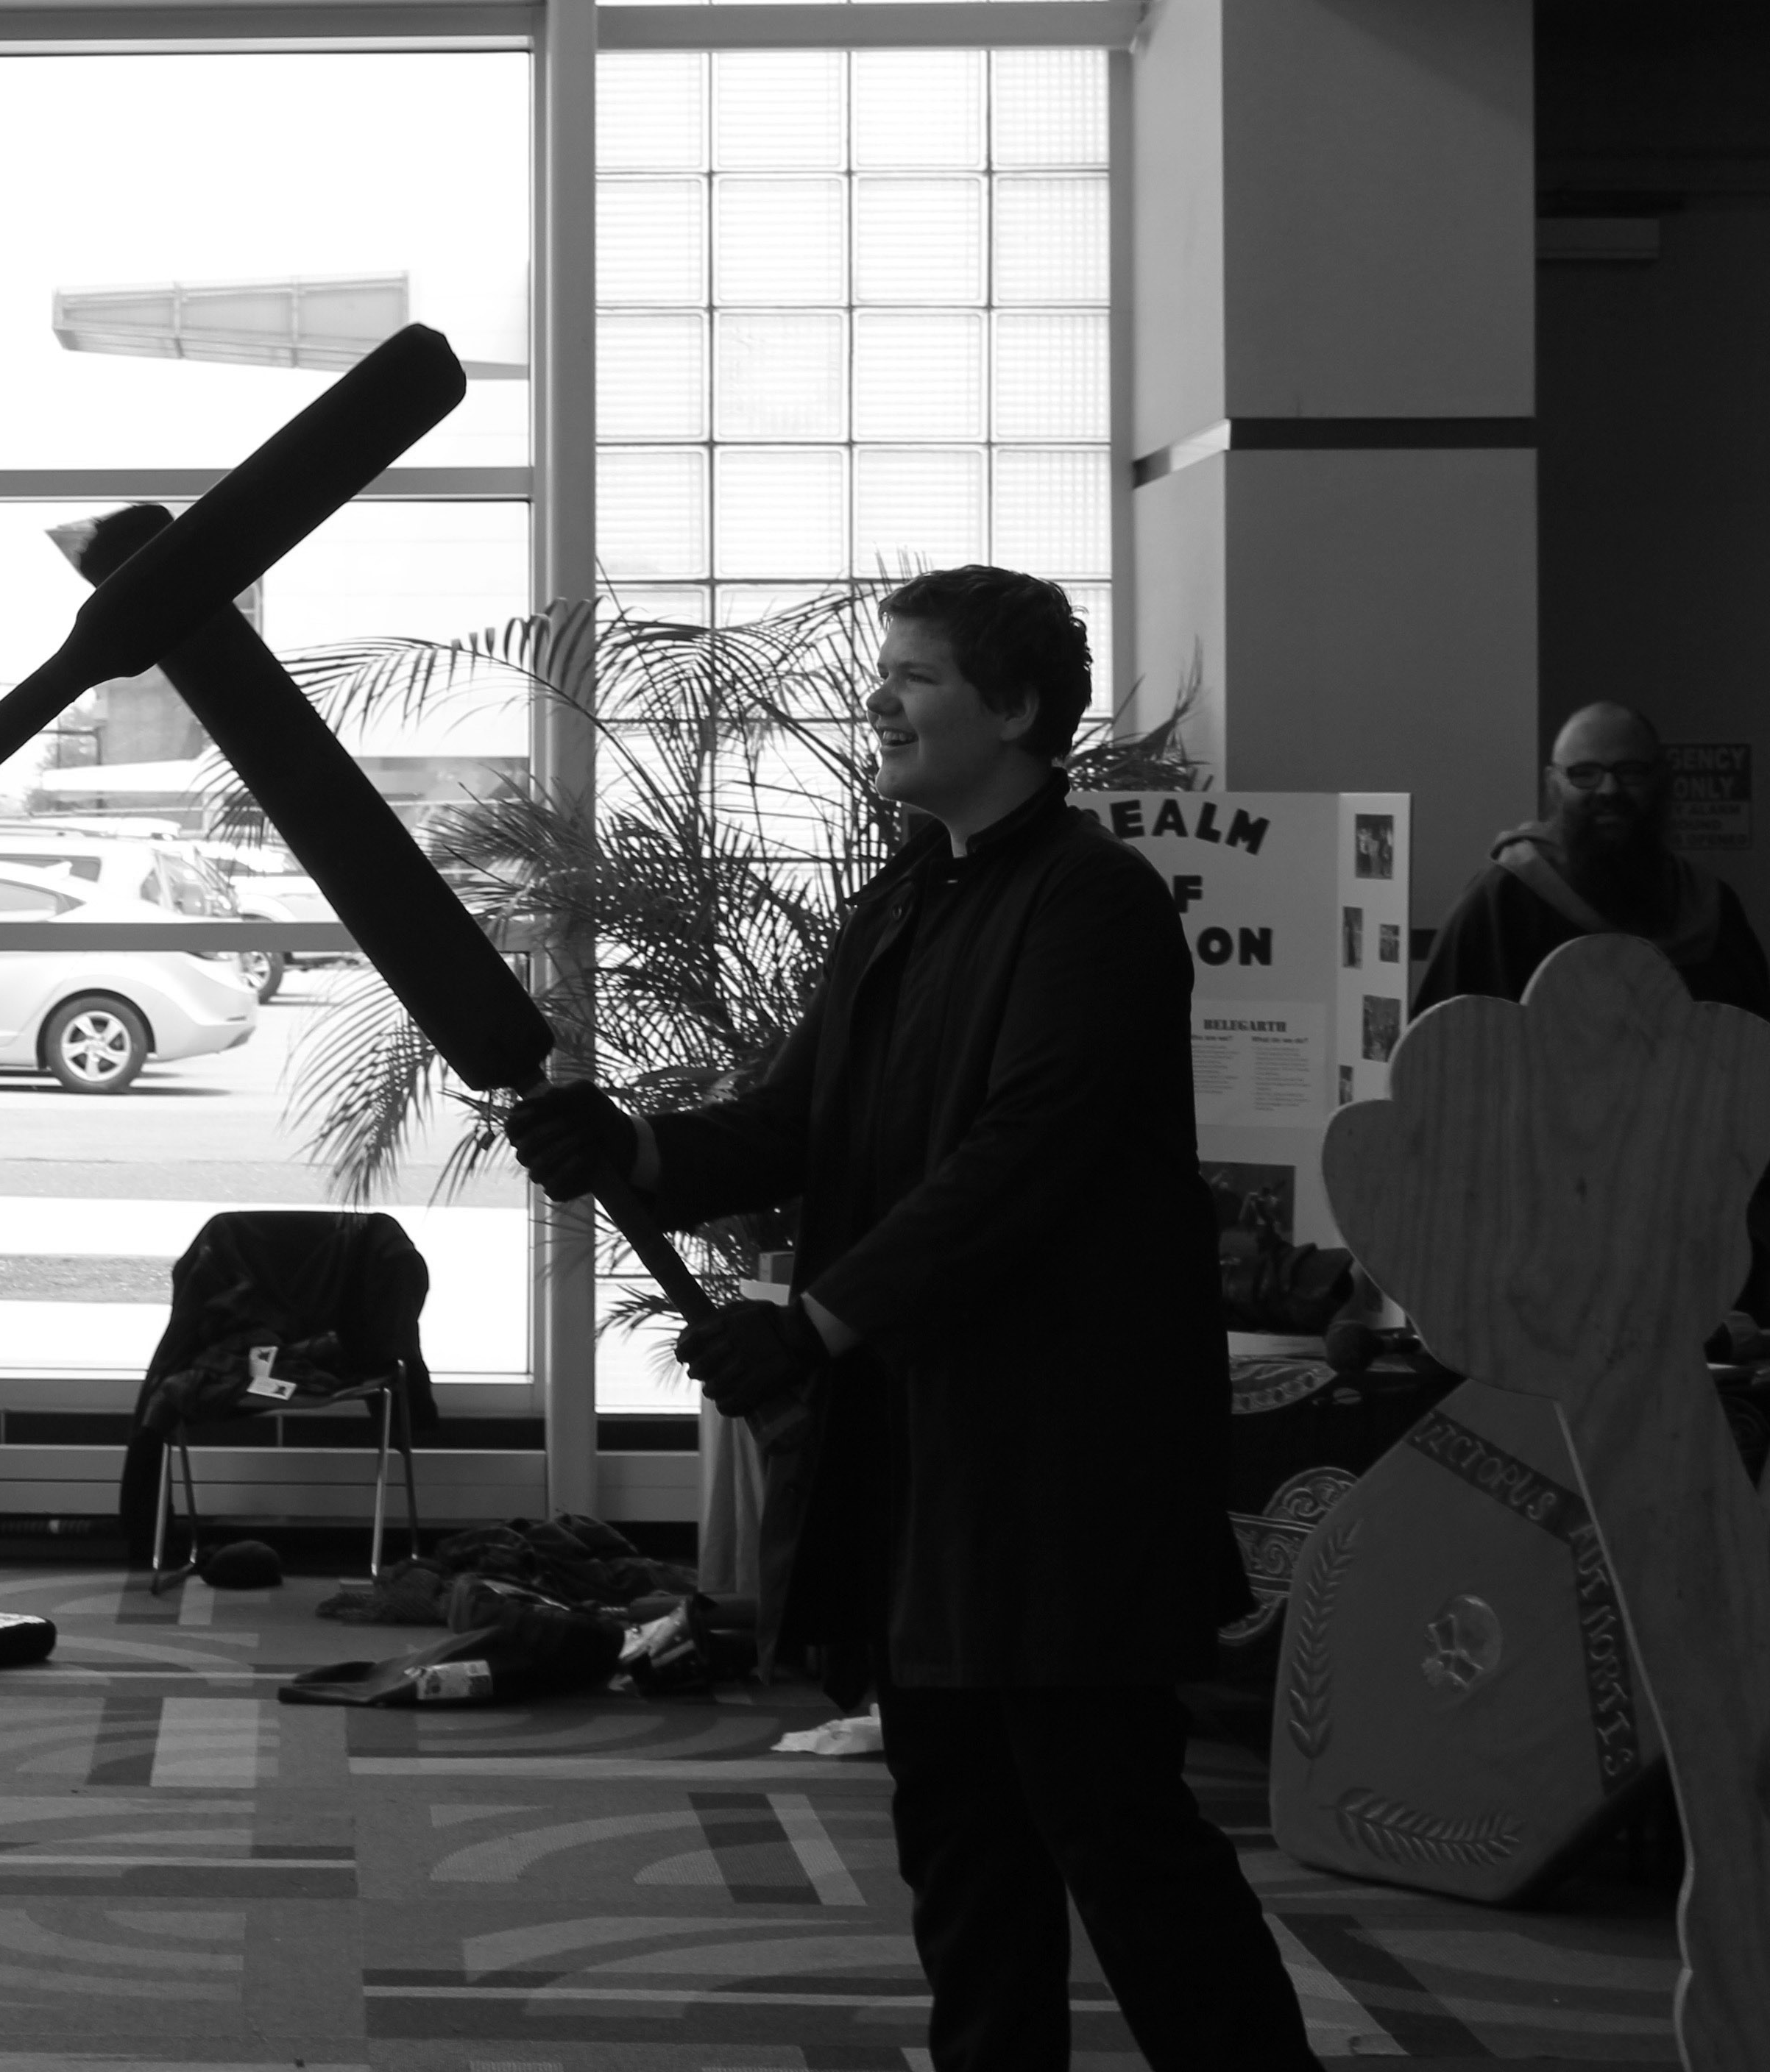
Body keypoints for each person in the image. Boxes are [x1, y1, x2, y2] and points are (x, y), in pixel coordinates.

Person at [504, 565, 1315, 2072]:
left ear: (1012, 708)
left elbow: (1022, 1161)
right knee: (956, 1833)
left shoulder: (1093, 902)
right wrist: (631, 1147)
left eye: (915, 676)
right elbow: (796, 1125)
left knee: (1113, 1828)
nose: (876, 701)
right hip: (929, 1456)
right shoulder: (901, 900)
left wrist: (812, 1325)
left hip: (1056, 1465)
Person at [1416, 699, 1770, 1312]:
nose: (1608, 790)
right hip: (1546, 1230)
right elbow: (1442, 1072)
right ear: (1553, 784)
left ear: (1661, 780)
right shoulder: (1503, 905)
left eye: (1630, 772)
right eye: (1584, 774)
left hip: (1693, 1220)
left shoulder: (1710, 910)